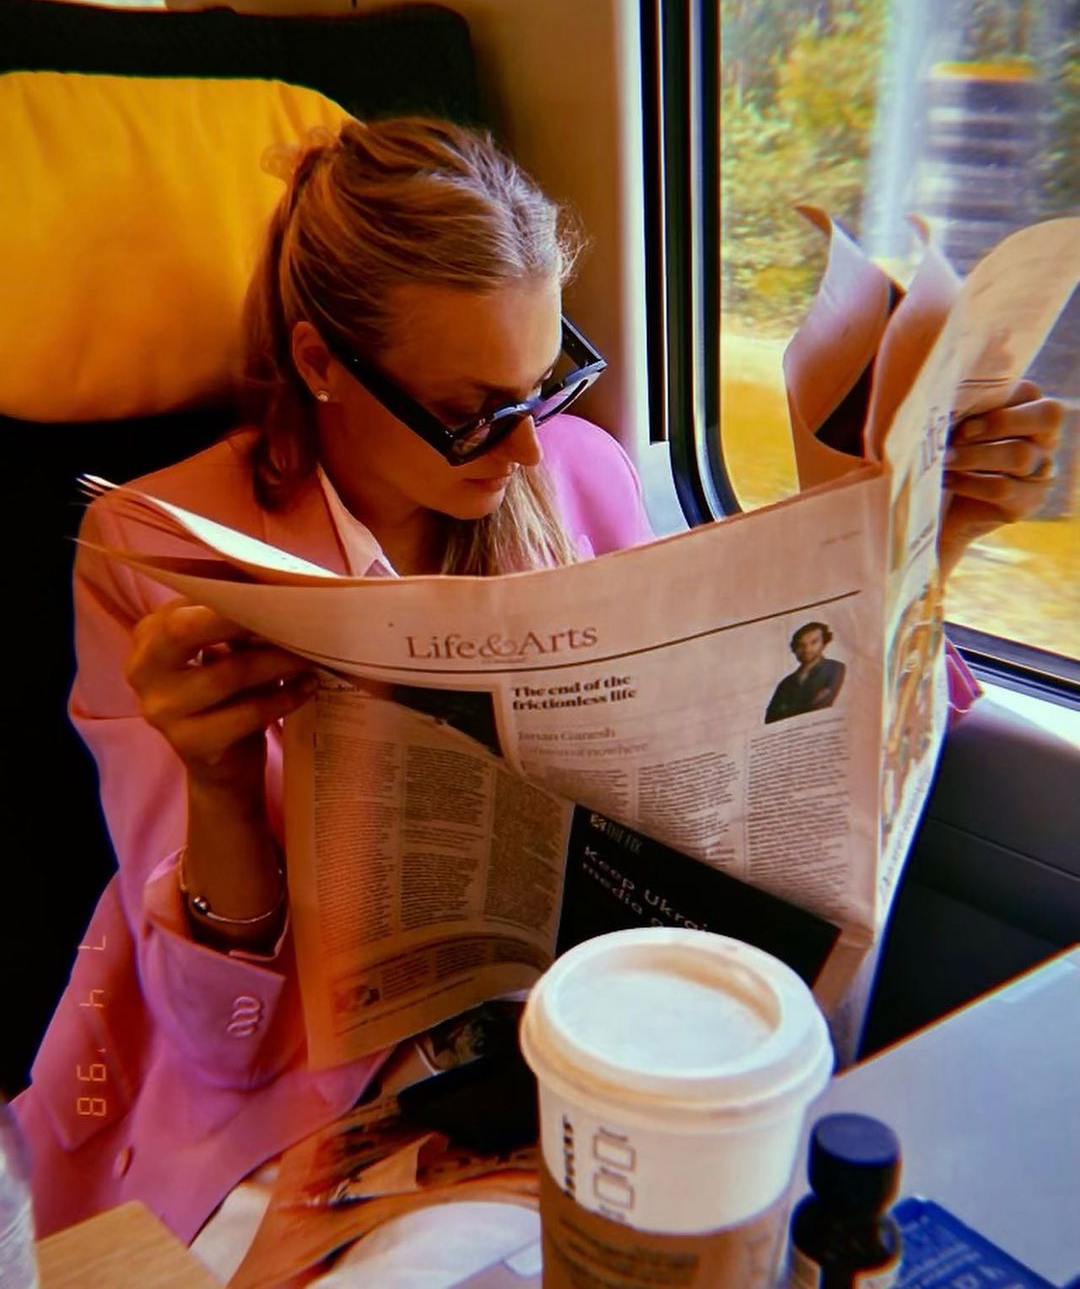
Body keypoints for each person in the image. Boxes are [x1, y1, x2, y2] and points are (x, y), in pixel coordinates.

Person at [12, 116, 1063, 1249]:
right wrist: (217, 785)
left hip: (579, 1025)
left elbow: (734, 747)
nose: (523, 455)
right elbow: (215, 1039)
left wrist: (924, 553)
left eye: (545, 387)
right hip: (307, 1093)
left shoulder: (582, 471)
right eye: (468, 415)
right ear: (320, 364)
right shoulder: (158, 552)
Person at [765, 621, 846, 724]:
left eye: (814, 642)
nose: (807, 649)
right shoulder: (786, 683)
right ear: (794, 649)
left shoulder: (835, 668)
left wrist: (787, 709)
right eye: (801, 645)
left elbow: (820, 705)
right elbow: (771, 718)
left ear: (824, 643)